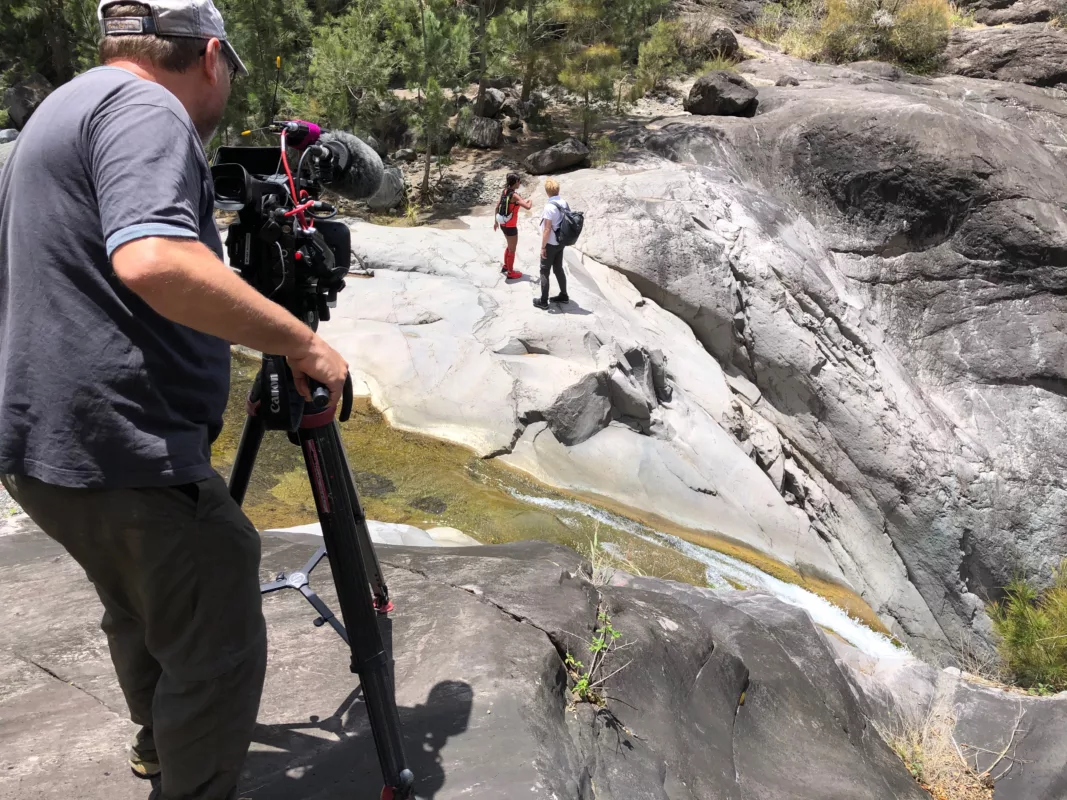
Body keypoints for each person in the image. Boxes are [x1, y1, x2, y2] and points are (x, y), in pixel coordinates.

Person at [0, 1, 350, 798]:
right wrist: (298, 341)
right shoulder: (145, 106)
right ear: (211, 55)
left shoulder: (65, 104)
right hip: (121, 446)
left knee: (141, 608)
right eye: (232, 70)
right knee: (216, 635)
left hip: (45, 444)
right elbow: (154, 259)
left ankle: (158, 745)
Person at [534, 177, 570, 309]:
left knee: (544, 271)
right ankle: (564, 295)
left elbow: (547, 229)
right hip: (561, 242)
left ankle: (543, 301)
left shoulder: (549, 207)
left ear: (547, 191)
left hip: (550, 244)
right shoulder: (564, 203)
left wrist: (543, 247)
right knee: (558, 268)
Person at [492, 172, 532, 280]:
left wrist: (495, 223)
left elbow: (496, 207)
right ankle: (510, 272)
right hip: (511, 226)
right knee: (512, 249)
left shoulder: (504, 192)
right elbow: (527, 207)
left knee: (509, 246)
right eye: (519, 181)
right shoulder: (514, 195)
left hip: (502, 223)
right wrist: (530, 201)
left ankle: (506, 266)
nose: (520, 183)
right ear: (516, 182)